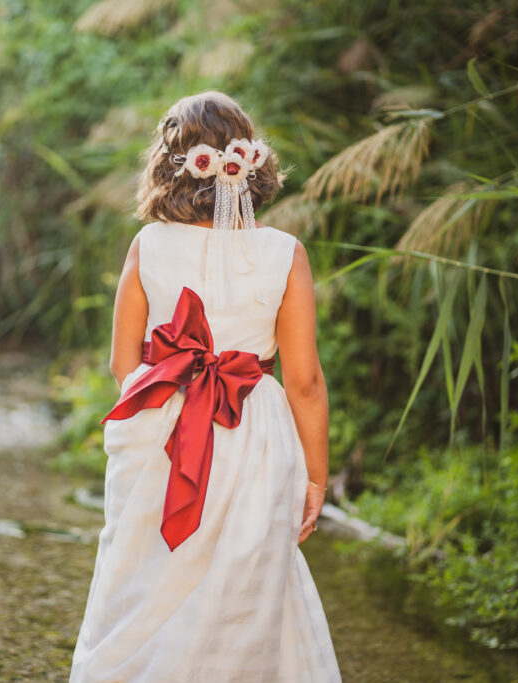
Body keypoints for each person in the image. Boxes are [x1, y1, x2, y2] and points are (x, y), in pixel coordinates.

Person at [70, 91, 341, 682]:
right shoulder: (284, 254)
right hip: (254, 432)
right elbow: (304, 383)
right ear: (248, 162)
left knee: (145, 576)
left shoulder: (148, 246)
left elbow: (124, 362)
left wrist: (172, 400)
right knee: (249, 579)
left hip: (163, 426)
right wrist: (315, 476)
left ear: (171, 164)